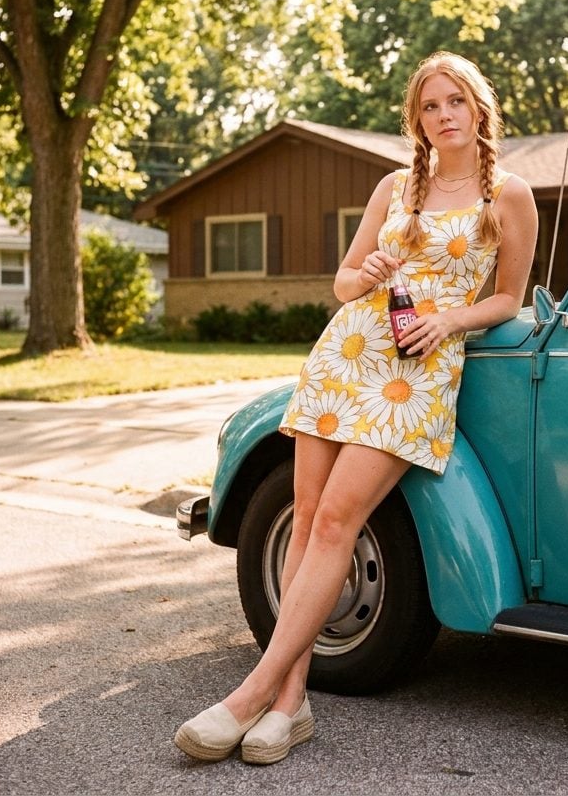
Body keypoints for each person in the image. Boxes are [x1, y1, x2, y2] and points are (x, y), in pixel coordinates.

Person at [174, 51, 538, 765]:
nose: (444, 116)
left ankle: (250, 694)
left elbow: (509, 297)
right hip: (346, 355)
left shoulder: (509, 194)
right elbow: (344, 283)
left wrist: (453, 320)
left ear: (478, 107)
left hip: (418, 371)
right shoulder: (395, 185)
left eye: (455, 102)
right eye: (430, 107)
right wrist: (364, 270)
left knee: (341, 517)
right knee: (305, 520)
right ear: (418, 119)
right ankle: (291, 703)